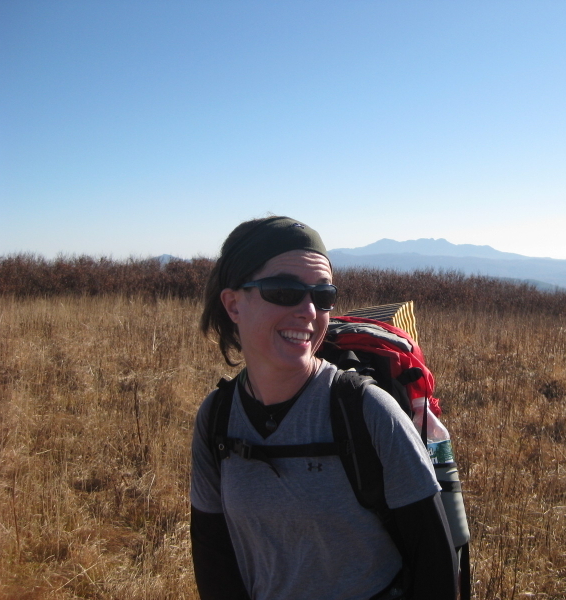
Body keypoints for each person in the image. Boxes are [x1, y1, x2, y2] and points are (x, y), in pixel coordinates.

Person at [190, 216, 458, 600]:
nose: (309, 311)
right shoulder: (216, 418)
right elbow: (213, 557)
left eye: (322, 296)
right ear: (233, 304)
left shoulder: (368, 412)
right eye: (284, 291)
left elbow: (434, 563)